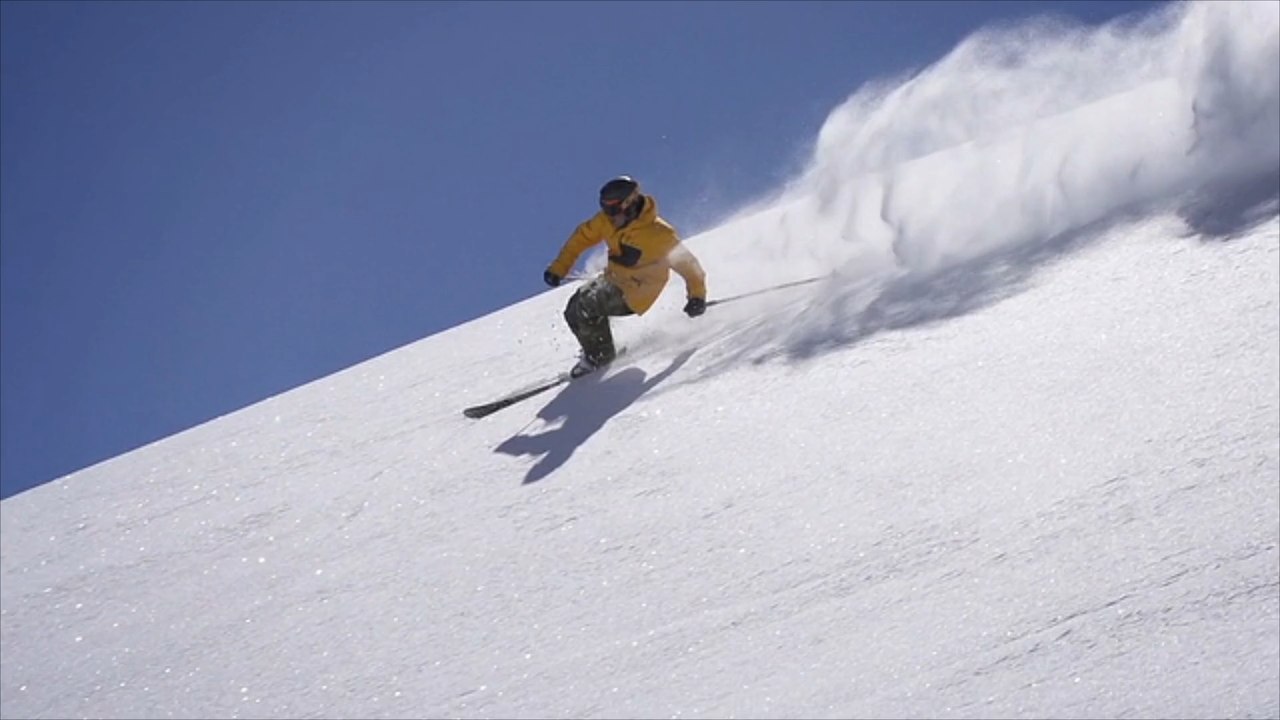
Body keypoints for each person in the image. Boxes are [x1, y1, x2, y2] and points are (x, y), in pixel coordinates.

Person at [543, 176, 708, 378]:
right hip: (614, 279)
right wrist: (559, 268)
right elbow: (581, 238)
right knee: (573, 309)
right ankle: (598, 347)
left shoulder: (659, 234)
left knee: (586, 305)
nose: (609, 215)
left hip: (637, 292)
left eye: (613, 209)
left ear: (630, 204)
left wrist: (697, 297)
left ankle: (600, 356)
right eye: (605, 208)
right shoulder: (606, 221)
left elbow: (689, 266)